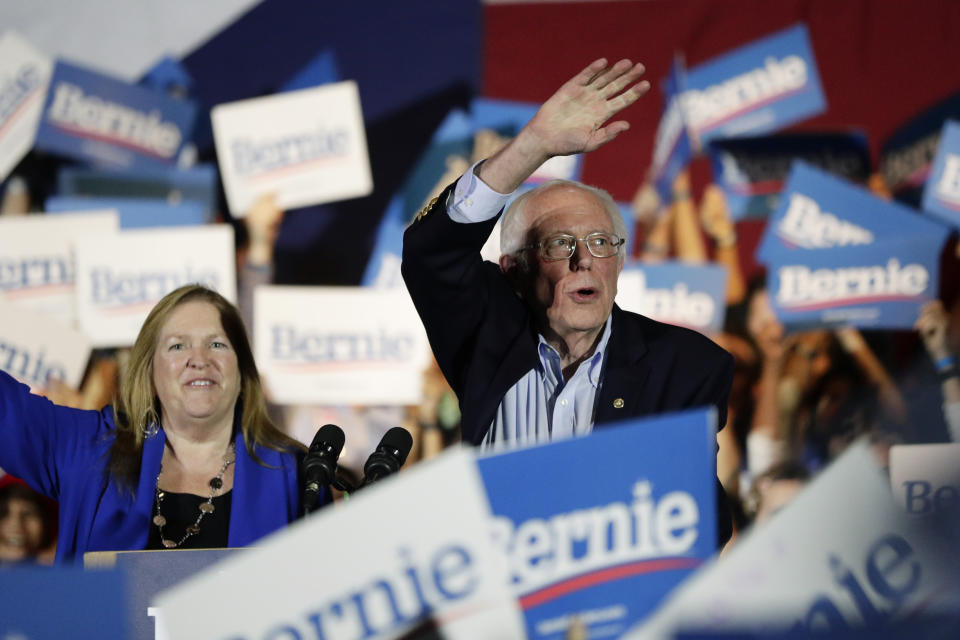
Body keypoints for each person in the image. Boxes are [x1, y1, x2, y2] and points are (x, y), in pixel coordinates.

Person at [401, 58, 735, 545]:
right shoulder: (488, 330)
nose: (584, 260)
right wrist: (532, 146)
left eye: (602, 243)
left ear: (619, 265)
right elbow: (432, 253)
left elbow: (704, 528)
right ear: (514, 270)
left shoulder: (684, 365)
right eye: (559, 244)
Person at [0, 284, 309, 563]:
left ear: (242, 370)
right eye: (178, 345)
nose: (199, 359)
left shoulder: (296, 475)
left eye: (217, 344)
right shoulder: (90, 448)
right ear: (149, 371)